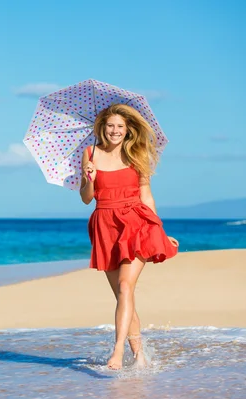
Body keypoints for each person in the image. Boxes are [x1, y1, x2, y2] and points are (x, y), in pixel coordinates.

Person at [79, 104, 179, 370]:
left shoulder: (137, 153)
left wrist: (161, 231)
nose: (115, 131)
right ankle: (140, 356)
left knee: (125, 287)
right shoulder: (89, 154)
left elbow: (146, 196)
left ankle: (117, 352)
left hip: (136, 223)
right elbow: (86, 198)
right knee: (125, 296)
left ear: (127, 130)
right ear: (102, 127)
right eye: (111, 126)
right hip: (104, 225)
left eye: (120, 127)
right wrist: (89, 178)